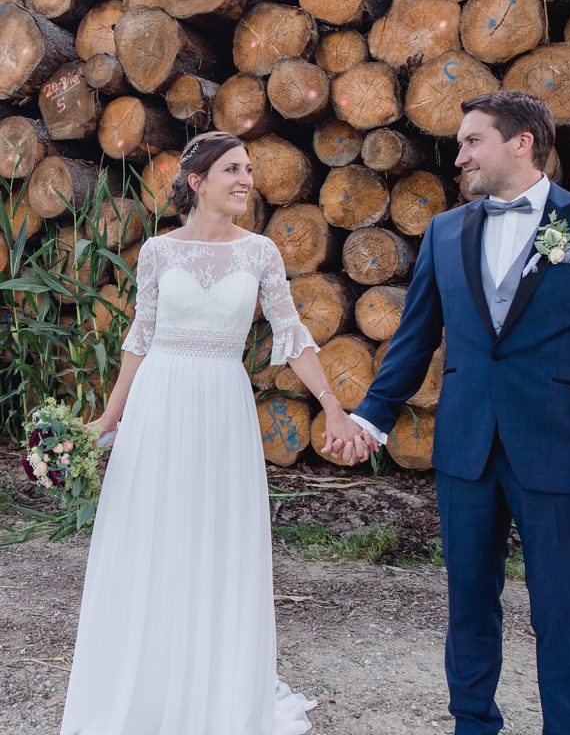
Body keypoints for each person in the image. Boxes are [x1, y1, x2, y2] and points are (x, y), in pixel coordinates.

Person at [327, 91, 570, 735]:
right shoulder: (446, 231)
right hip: (466, 452)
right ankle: (473, 724)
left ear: (522, 143)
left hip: (562, 456)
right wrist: (372, 417)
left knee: (563, 615)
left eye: (472, 140)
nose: (461, 155)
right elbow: (414, 338)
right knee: (469, 607)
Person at [60, 131, 367, 735]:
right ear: (196, 182)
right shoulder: (156, 252)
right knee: (151, 537)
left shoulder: (260, 253)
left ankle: (214, 693)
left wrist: (333, 407)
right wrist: (109, 417)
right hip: (159, 406)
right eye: (232, 169)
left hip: (222, 408)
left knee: (216, 539)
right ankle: (146, 688)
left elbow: (293, 333)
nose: (246, 179)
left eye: (249, 169)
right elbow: (139, 341)